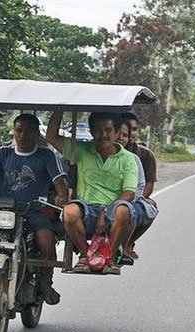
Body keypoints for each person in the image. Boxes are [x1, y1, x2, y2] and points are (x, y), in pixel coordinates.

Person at [0, 114, 68, 305]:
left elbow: (60, 182)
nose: (22, 135)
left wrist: (61, 195)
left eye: (28, 131)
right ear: (14, 131)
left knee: (46, 243)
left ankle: (45, 282)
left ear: (37, 133)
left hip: (35, 211)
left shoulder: (46, 155)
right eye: (19, 130)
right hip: (4, 210)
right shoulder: (3, 153)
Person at [46, 111, 138, 274]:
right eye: (98, 130)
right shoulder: (81, 150)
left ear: (116, 133)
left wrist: (104, 212)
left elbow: (129, 192)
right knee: (69, 211)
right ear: (91, 132)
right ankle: (85, 254)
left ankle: (108, 257)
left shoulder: (128, 158)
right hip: (87, 212)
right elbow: (51, 137)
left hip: (113, 213)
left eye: (108, 130)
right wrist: (60, 107)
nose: (103, 135)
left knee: (124, 210)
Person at [115, 120, 158, 260]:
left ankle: (127, 244)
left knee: (133, 210)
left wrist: (131, 198)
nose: (121, 138)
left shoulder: (138, 157)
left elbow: (144, 185)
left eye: (126, 134)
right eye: (118, 134)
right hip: (103, 199)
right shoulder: (94, 154)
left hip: (130, 197)